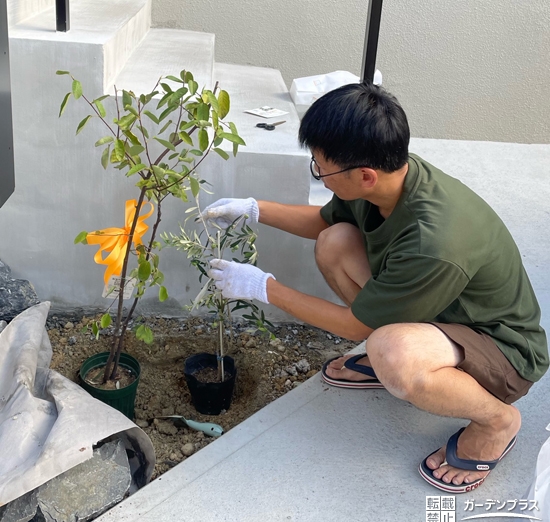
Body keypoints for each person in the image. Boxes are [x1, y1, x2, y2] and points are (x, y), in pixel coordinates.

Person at [202, 82, 548, 493]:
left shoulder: (435, 240)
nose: (321, 177)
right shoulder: (389, 178)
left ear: (364, 175)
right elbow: (326, 223)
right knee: (336, 243)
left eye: (321, 168)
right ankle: (400, 350)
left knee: (391, 350)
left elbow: (350, 326)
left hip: (501, 351)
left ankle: (496, 421)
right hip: (438, 310)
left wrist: (262, 287)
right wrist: (254, 209)